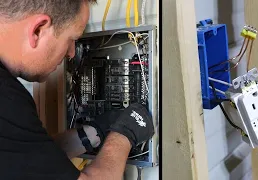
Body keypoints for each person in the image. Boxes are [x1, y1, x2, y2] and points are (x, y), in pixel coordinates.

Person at [0, 0, 155, 179]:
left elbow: (29, 153)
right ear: (38, 30)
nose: (72, 53)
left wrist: (93, 132)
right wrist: (124, 134)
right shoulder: (8, 101)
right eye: (72, 39)